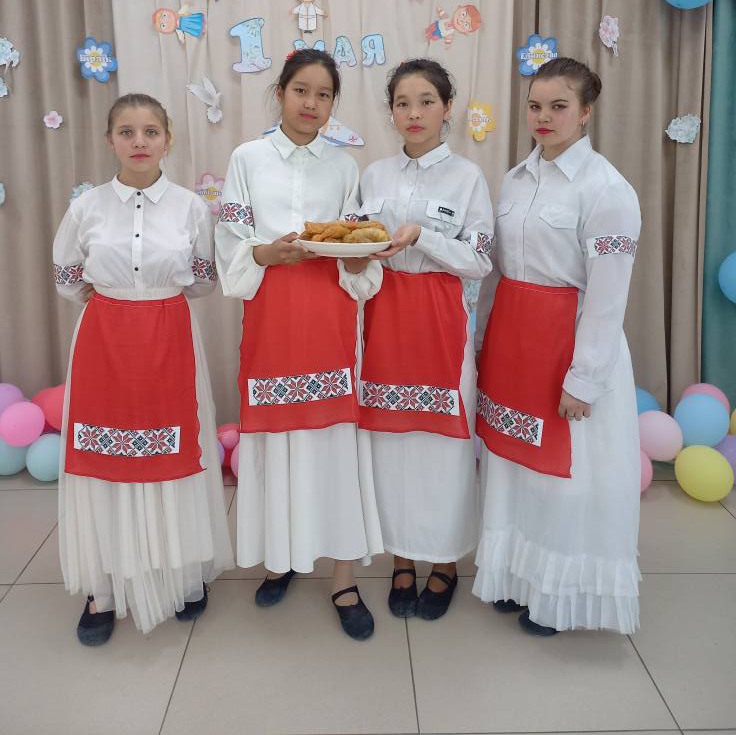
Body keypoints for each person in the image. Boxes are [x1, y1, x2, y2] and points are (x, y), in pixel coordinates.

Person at [52, 93, 233, 645]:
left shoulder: (190, 207)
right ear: (110, 140)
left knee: (176, 451)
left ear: (167, 139)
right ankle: (103, 587)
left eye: (150, 131)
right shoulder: (86, 208)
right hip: (103, 340)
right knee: (101, 455)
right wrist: (116, 301)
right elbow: (67, 276)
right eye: (126, 132)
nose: (139, 142)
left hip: (169, 336)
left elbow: (203, 277)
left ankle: (182, 573)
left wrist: (152, 298)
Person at [215, 49, 383, 640]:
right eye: (301, 91)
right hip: (270, 314)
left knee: (335, 440)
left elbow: (357, 243)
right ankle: (280, 558)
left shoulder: (344, 167)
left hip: (329, 318)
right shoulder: (247, 159)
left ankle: (343, 577)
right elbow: (230, 237)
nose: (311, 103)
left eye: (324, 94)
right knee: (275, 438)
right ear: (280, 93)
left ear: (334, 103)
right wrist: (265, 252)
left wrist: (359, 256)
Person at [473, 57, 642, 636]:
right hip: (514, 344)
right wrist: (479, 341)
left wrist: (584, 378)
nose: (543, 117)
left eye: (559, 106)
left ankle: (557, 596)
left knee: (566, 478)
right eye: (535, 106)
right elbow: (496, 273)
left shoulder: (606, 190)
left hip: (570, 349)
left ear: (586, 112)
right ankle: (515, 577)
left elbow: (609, 296)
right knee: (515, 467)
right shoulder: (514, 180)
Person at [358, 59, 494, 620]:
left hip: (442, 326)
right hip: (384, 322)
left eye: (426, 102)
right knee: (389, 445)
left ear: (447, 109)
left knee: (444, 448)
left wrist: (424, 237)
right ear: (391, 112)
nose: (413, 113)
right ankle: (402, 558)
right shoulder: (373, 175)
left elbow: (480, 259)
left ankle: (444, 562)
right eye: (402, 103)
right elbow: (356, 242)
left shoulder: (467, 178)